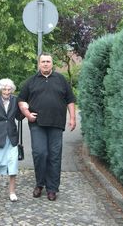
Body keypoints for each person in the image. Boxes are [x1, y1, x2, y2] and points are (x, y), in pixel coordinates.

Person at [18, 53, 76, 201]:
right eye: (43, 61)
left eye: (48, 61)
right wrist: (27, 113)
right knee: (40, 153)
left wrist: (73, 118)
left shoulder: (61, 80)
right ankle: (39, 184)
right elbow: (21, 100)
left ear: (52, 64)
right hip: (37, 124)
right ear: (39, 64)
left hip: (56, 124)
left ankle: (52, 189)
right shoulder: (31, 81)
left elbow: (70, 100)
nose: (45, 64)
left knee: (54, 155)